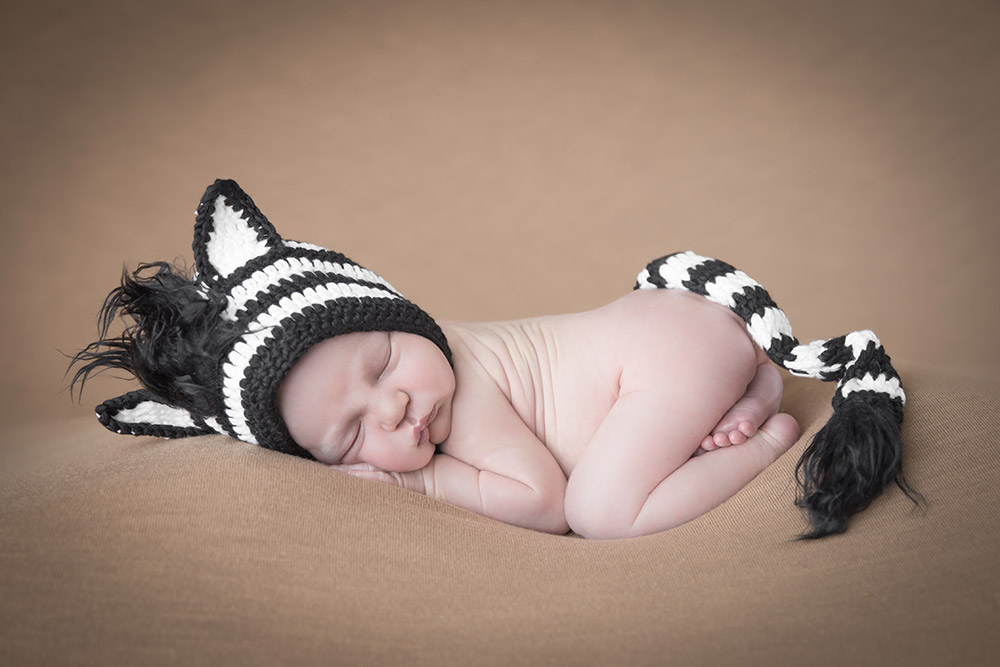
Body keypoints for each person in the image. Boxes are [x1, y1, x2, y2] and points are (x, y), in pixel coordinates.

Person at [69, 179, 918, 540]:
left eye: (383, 365)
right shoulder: (421, 376)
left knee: (602, 509)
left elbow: (541, 499)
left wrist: (418, 483)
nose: (394, 409)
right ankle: (747, 379)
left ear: (402, 315)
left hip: (662, 350)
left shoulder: (460, 386)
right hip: (679, 331)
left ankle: (767, 434)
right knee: (628, 452)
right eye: (351, 436)